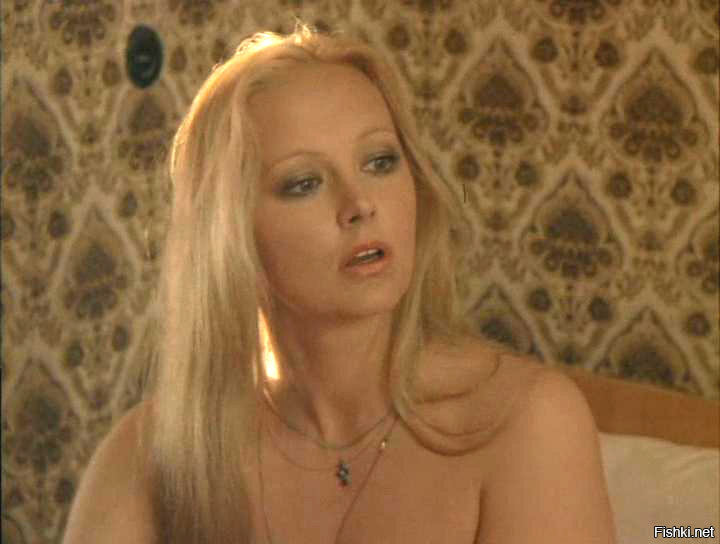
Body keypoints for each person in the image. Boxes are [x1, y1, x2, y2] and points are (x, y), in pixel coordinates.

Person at [62, 22, 616, 544]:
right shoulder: (152, 459)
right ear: (230, 235)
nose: (359, 204)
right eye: (304, 182)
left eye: (380, 161)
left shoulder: (526, 424)